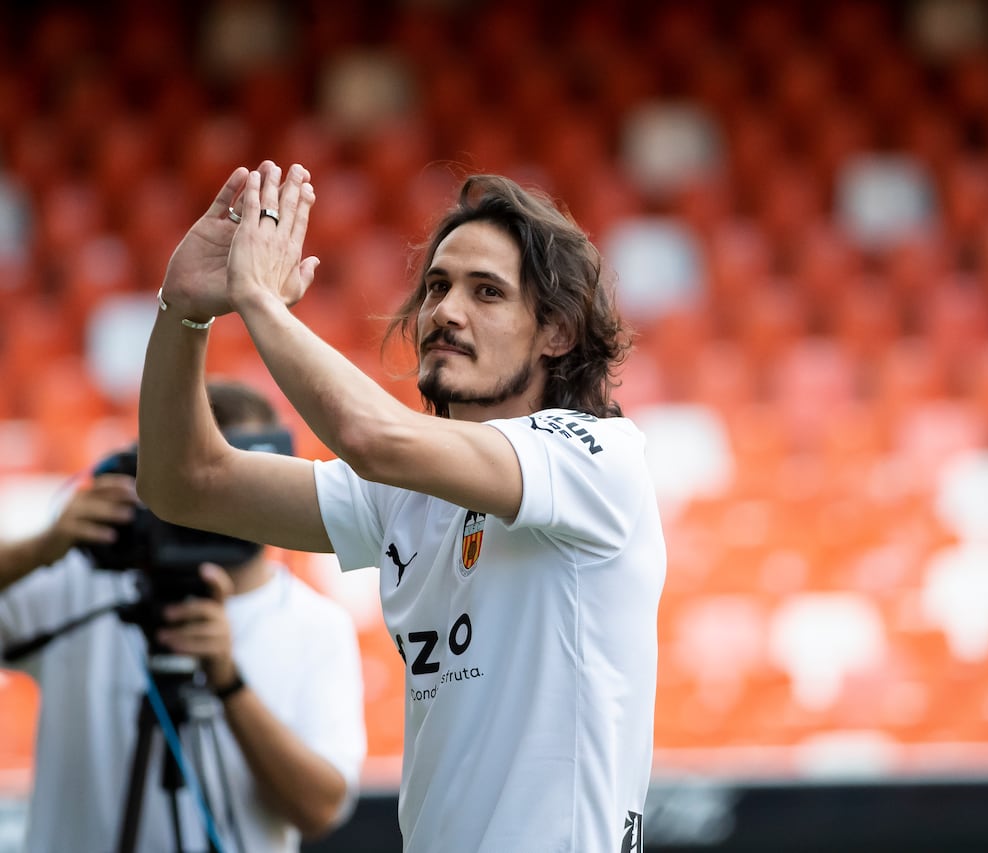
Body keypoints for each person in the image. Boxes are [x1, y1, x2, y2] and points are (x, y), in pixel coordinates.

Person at [135, 161, 666, 852]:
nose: (445, 310)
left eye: (487, 292)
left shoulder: (595, 458)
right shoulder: (404, 492)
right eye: (439, 286)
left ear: (557, 332)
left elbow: (371, 436)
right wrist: (185, 311)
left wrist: (260, 299)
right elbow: (184, 481)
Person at [0, 379, 367, 853]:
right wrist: (43, 547)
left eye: (236, 475)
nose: (212, 502)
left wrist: (229, 683)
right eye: (193, 476)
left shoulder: (316, 624)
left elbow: (319, 809)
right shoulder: (82, 583)